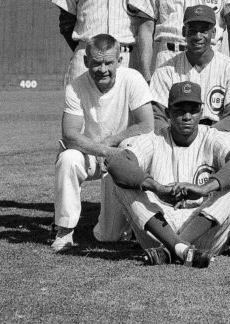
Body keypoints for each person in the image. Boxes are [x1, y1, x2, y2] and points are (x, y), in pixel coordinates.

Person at [106, 81, 230, 266]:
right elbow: (117, 163)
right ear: (168, 113)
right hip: (160, 226)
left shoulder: (213, 137)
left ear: (201, 112)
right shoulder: (154, 139)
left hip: (204, 226)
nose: (187, 116)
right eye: (179, 110)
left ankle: (170, 250)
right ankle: (180, 249)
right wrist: (156, 187)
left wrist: (204, 188)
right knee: (122, 185)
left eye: (193, 110)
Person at [51, 35, 154, 252]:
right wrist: (104, 150)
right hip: (91, 153)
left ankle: (126, 224)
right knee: (68, 159)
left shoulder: (133, 79)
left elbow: (146, 125)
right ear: (87, 61)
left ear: (120, 61)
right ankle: (64, 230)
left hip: (120, 156)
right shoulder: (75, 87)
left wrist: (112, 145)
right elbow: (69, 135)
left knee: (109, 237)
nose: (103, 69)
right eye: (97, 63)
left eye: (108, 62)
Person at [148, 5, 230, 135]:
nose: (197, 36)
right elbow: (157, 118)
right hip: (176, 136)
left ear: (214, 33)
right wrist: (177, 138)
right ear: (184, 31)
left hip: (217, 135)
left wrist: (201, 137)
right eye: (192, 30)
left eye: (204, 30)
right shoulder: (164, 71)